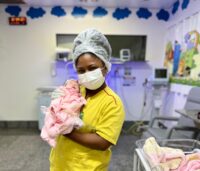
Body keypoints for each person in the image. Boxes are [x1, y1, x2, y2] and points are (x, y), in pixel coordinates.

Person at [49, 28, 125, 171]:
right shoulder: (74, 90)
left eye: (92, 68)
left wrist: (67, 131)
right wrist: (56, 107)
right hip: (60, 165)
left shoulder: (112, 103)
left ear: (105, 67)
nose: (87, 74)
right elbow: (60, 115)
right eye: (81, 70)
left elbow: (103, 142)